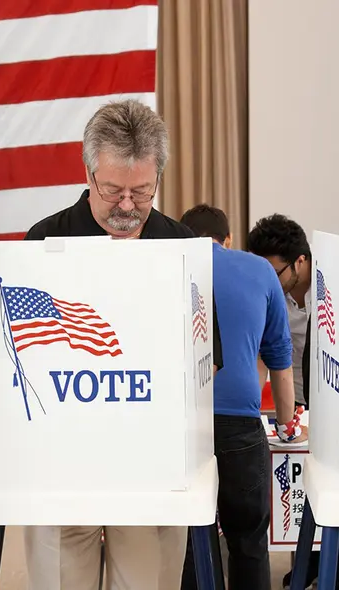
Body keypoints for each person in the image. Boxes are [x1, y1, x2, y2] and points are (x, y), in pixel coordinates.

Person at [23, 99, 223, 590]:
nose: (128, 206)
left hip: (153, 466)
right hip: (64, 466)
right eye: (112, 190)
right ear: (88, 173)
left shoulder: (181, 246)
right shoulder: (42, 242)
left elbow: (207, 358)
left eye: (143, 191)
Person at [177, 205, 299, 590]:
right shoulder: (259, 270)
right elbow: (280, 360)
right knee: (247, 540)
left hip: (182, 424)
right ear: (226, 240)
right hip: (240, 428)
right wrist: (284, 422)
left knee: (190, 540)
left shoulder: (172, 266)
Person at [246, 214, 318, 589]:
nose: (268, 281)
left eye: (275, 272)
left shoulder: (329, 288)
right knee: (297, 489)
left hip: (328, 401)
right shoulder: (271, 293)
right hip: (295, 402)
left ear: (300, 262)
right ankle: (302, 568)